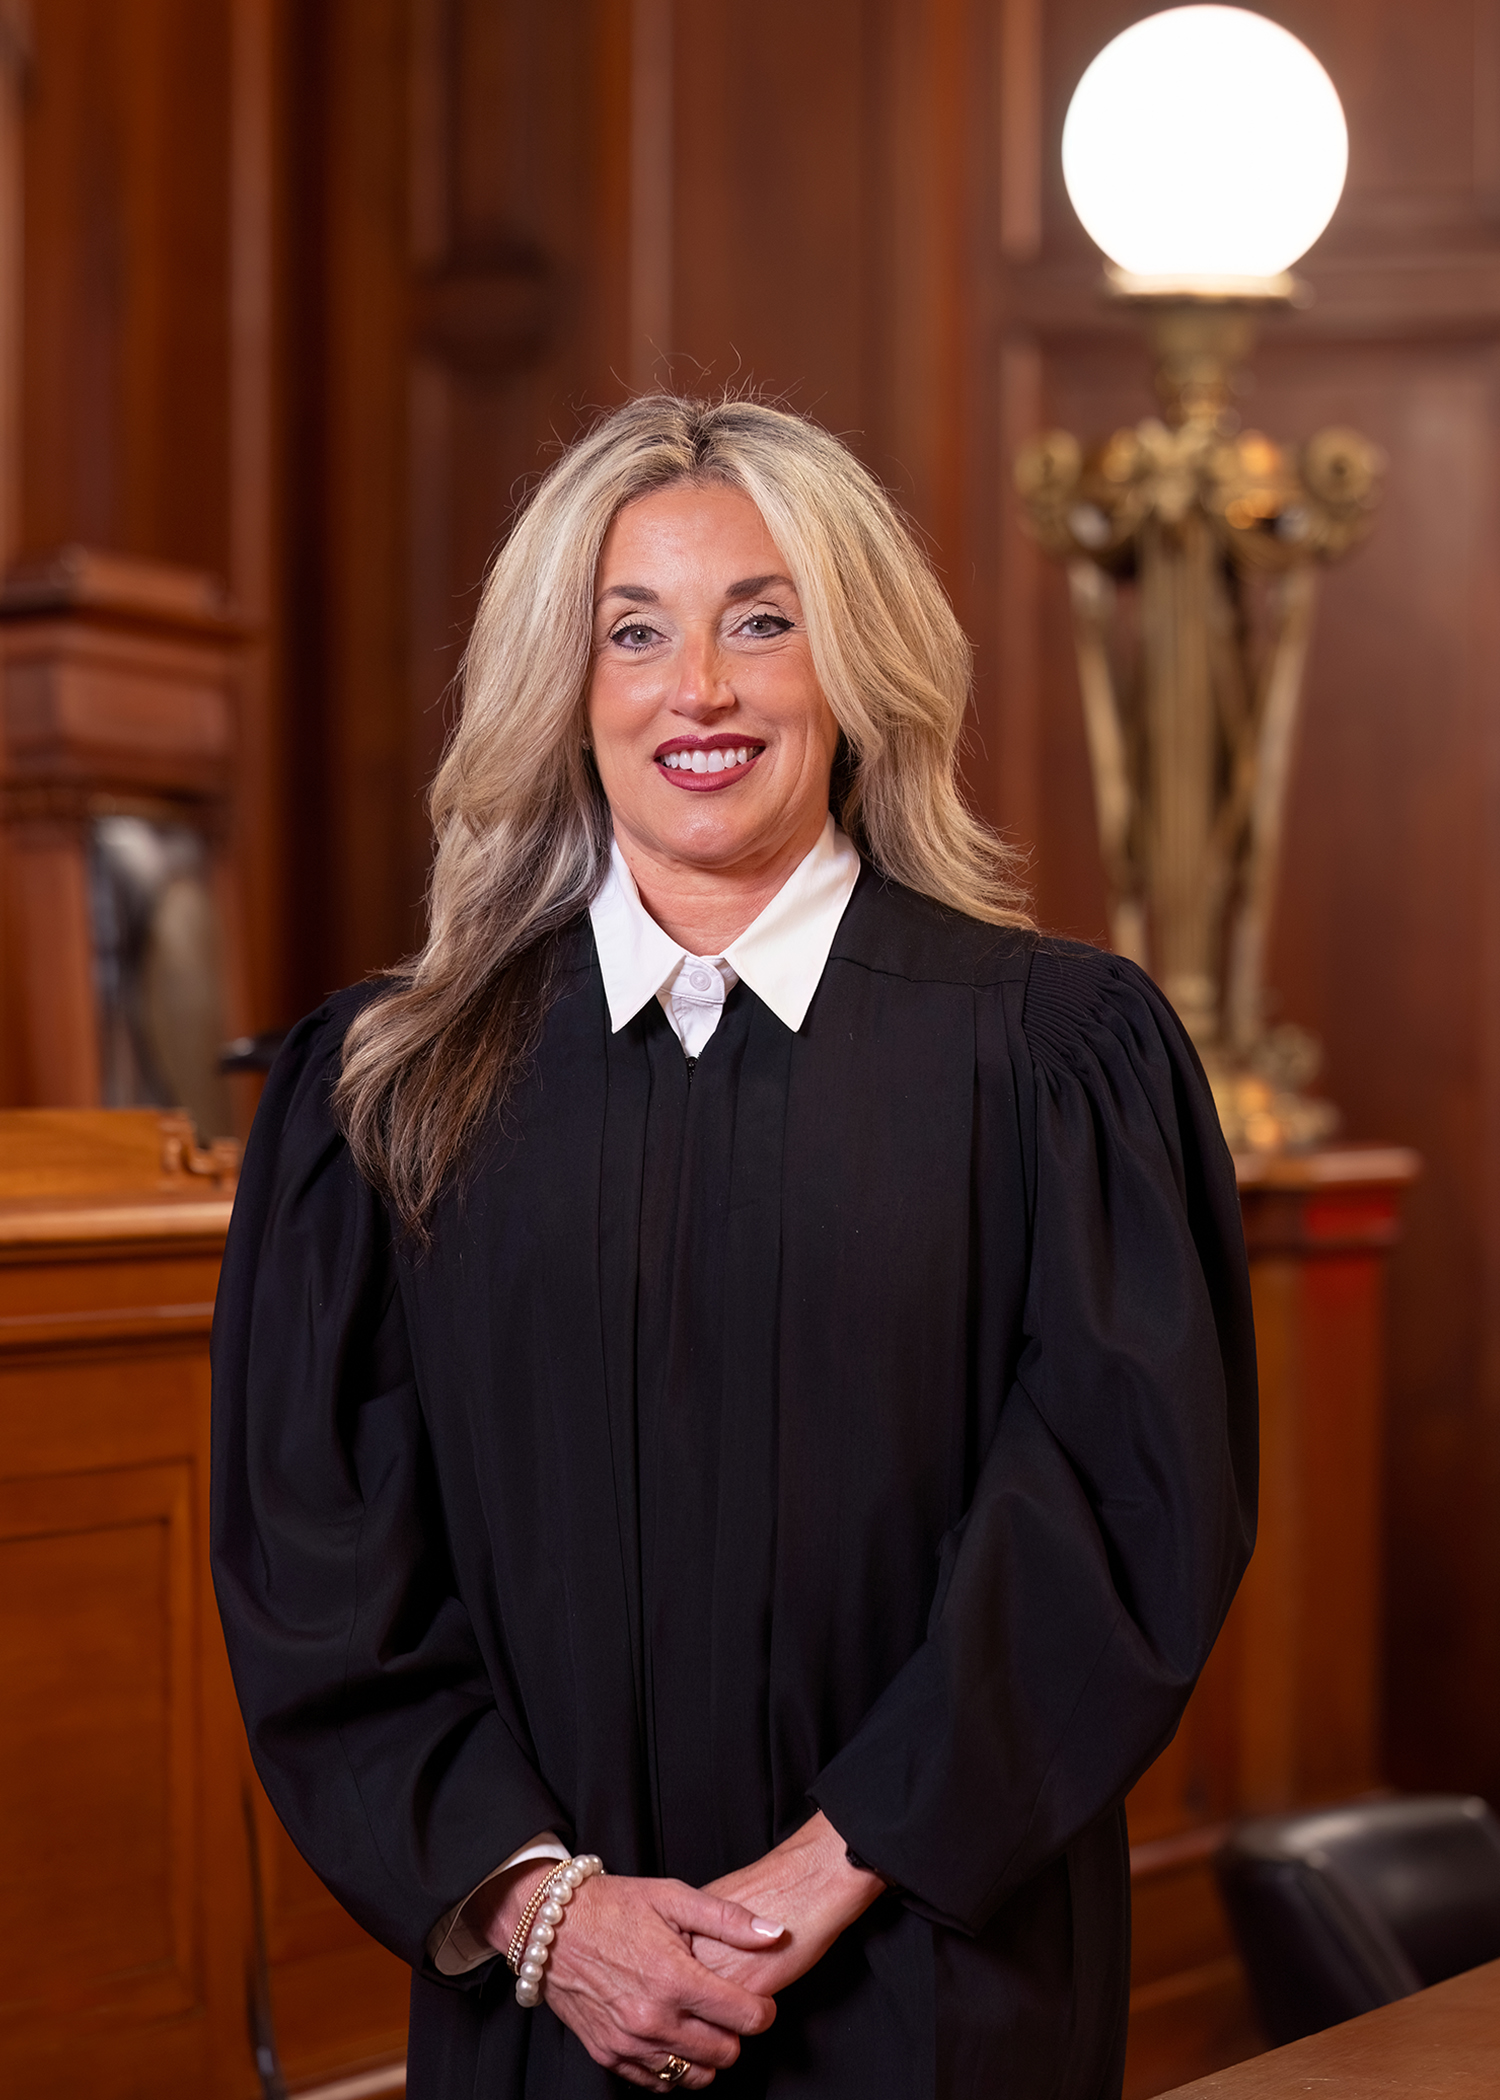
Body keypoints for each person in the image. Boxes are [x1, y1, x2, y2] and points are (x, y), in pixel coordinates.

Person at [210, 393, 1257, 2099]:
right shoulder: (392, 1088)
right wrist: (549, 1914)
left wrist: (823, 1873)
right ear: (565, 688)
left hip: (938, 1984)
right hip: (545, 2021)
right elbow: (320, 1568)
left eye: (762, 622)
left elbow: (1120, 1511)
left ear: (855, 666)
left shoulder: (1054, 1055)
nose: (697, 688)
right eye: (634, 632)